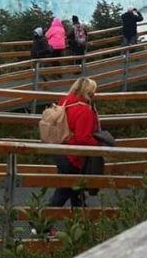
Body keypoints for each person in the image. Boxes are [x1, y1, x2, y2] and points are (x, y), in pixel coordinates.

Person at [49, 78, 100, 207]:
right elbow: (83, 138)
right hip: (72, 157)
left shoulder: (65, 102)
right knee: (65, 192)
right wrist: (98, 147)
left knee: (76, 192)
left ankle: (81, 220)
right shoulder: (84, 111)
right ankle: (40, 223)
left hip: (60, 150)